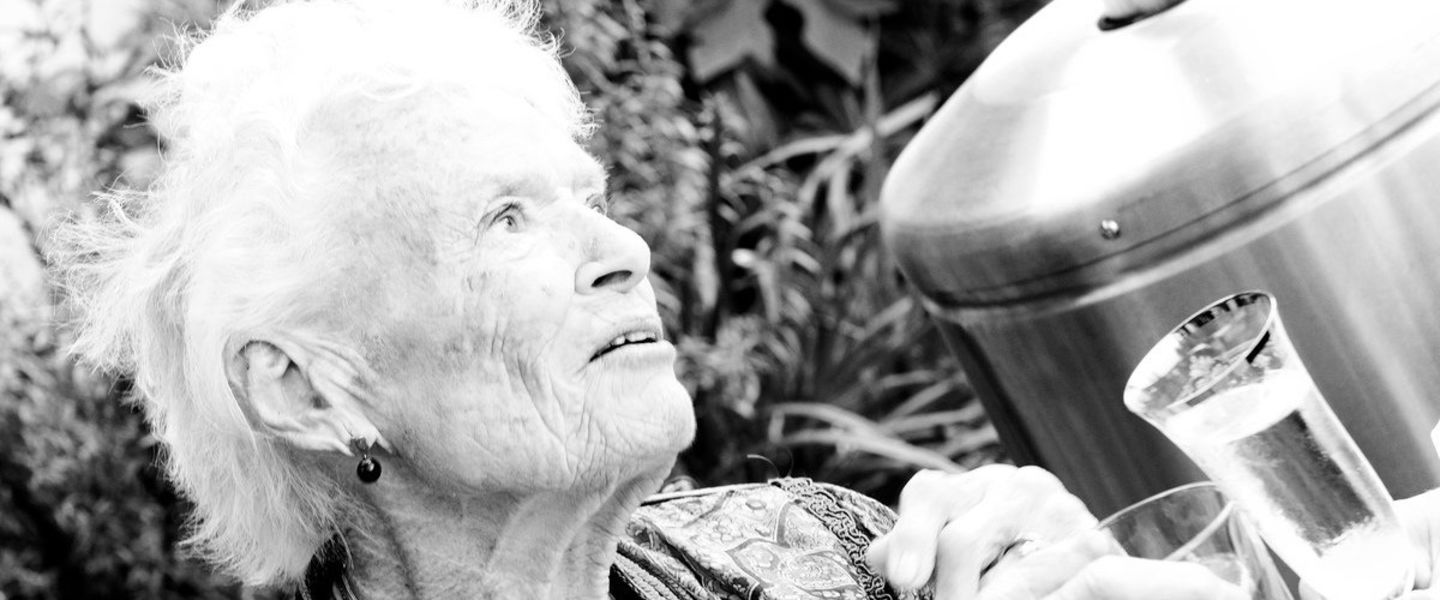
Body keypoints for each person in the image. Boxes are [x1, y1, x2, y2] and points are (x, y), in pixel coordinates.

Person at [48, 1, 1250, 598]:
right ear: (308, 388)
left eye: (588, 198)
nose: (622, 247)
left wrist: (1054, 568)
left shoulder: (819, 551)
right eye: (505, 220)